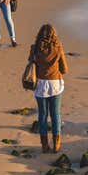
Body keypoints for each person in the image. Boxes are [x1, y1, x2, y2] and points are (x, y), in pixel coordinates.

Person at [26, 23, 69, 153]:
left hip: (40, 85)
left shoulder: (34, 48)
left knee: (42, 115)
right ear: (54, 35)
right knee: (55, 114)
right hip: (55, 84)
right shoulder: (58, 48)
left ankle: (44, 145)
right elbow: (64, 69)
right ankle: (56, 144)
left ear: (39, 35)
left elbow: (30, 63)